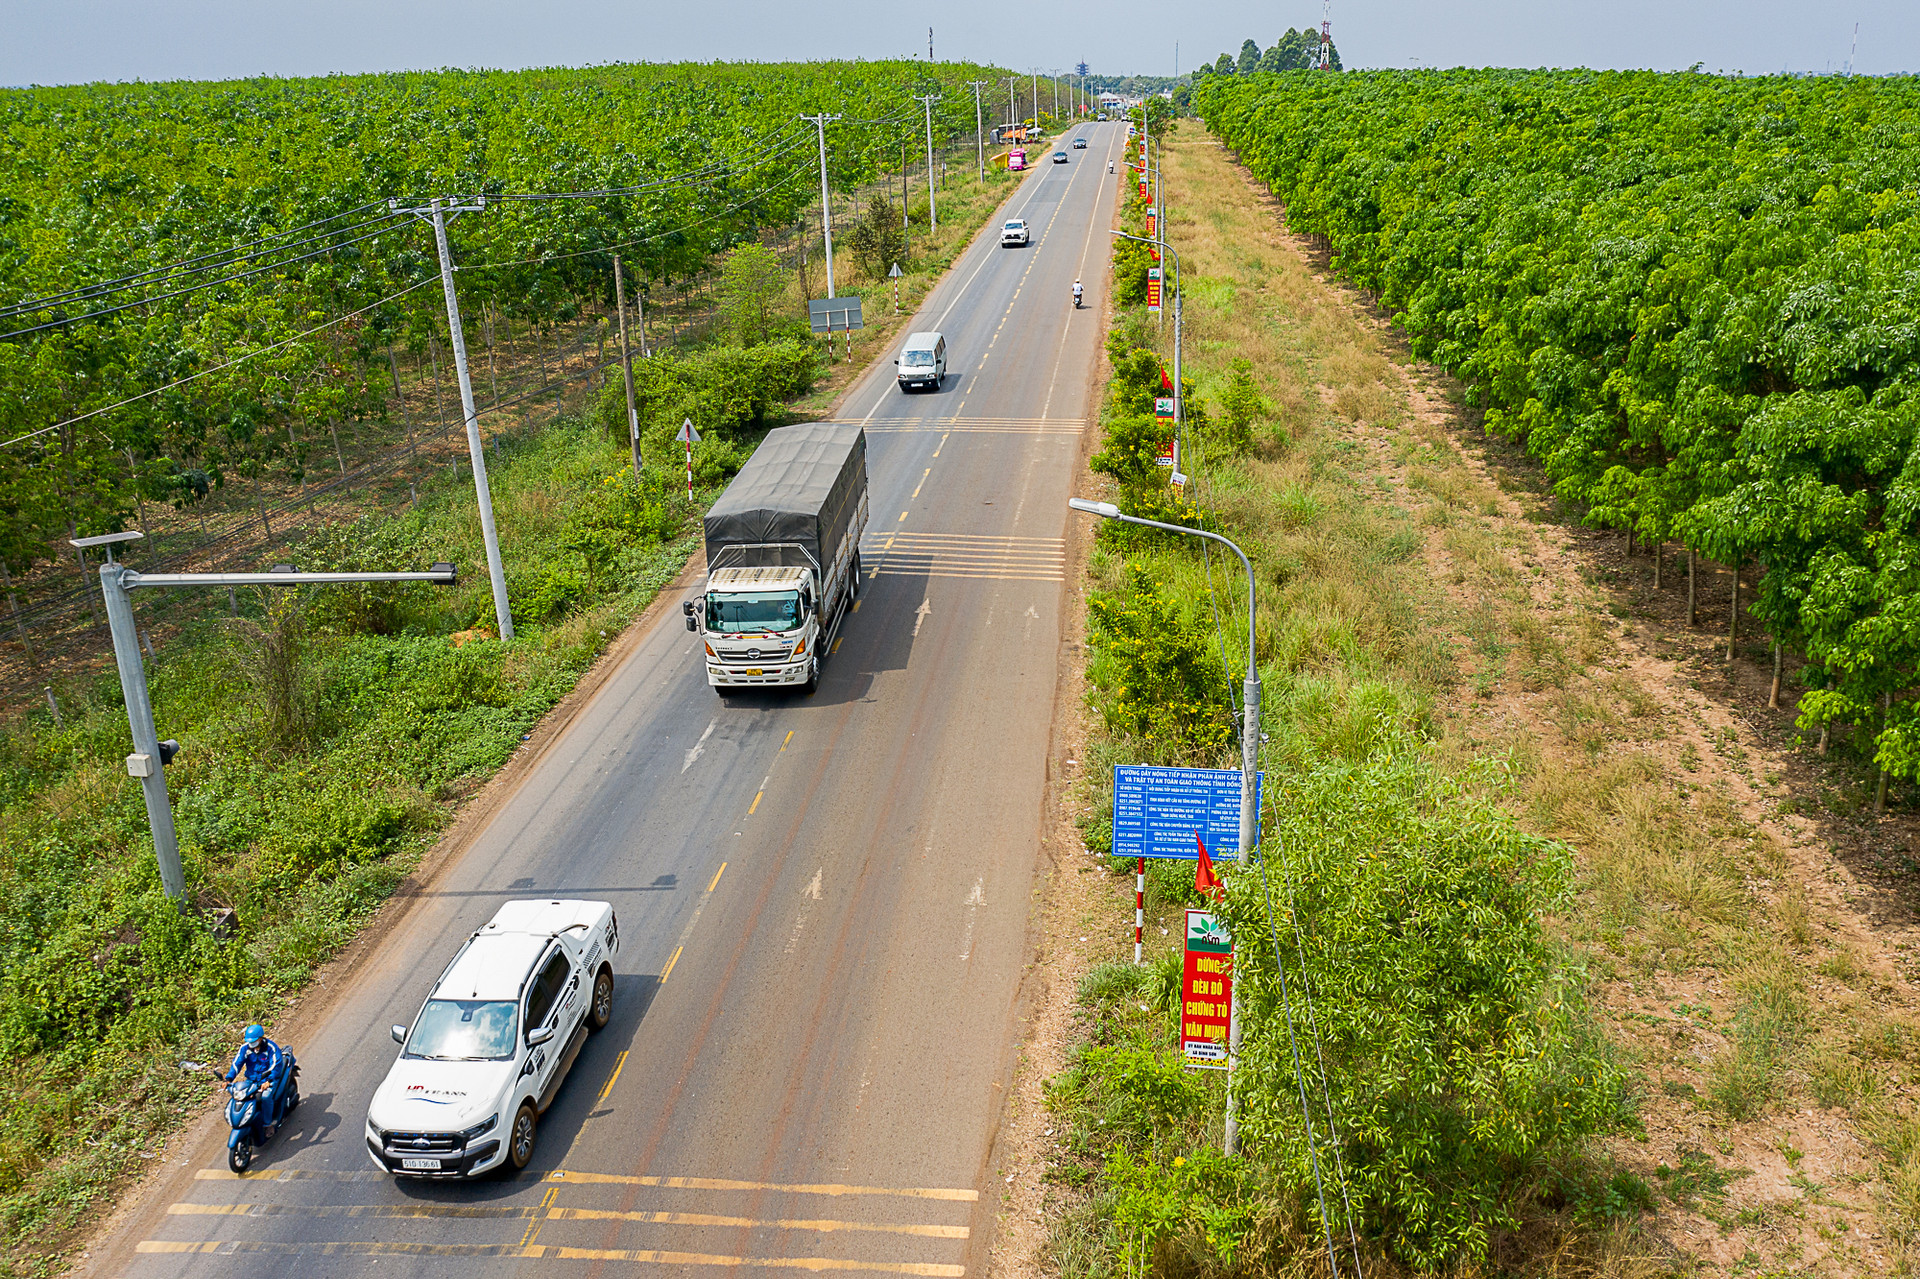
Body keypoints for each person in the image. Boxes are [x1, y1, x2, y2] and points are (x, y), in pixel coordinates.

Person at [225, 1024, 288, 1121]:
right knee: (240, 1096)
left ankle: (268, 1124)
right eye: (250, 1041)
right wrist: (229, 1079)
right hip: (251, 1080)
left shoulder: (271, 1047)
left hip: (268, 1079)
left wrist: (269, 1080)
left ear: (260, 1038)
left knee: (266, 1097)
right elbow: (236, 1063)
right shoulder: (245, 1048)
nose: (251, 1043)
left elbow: (276, 1064)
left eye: (254, 1041)